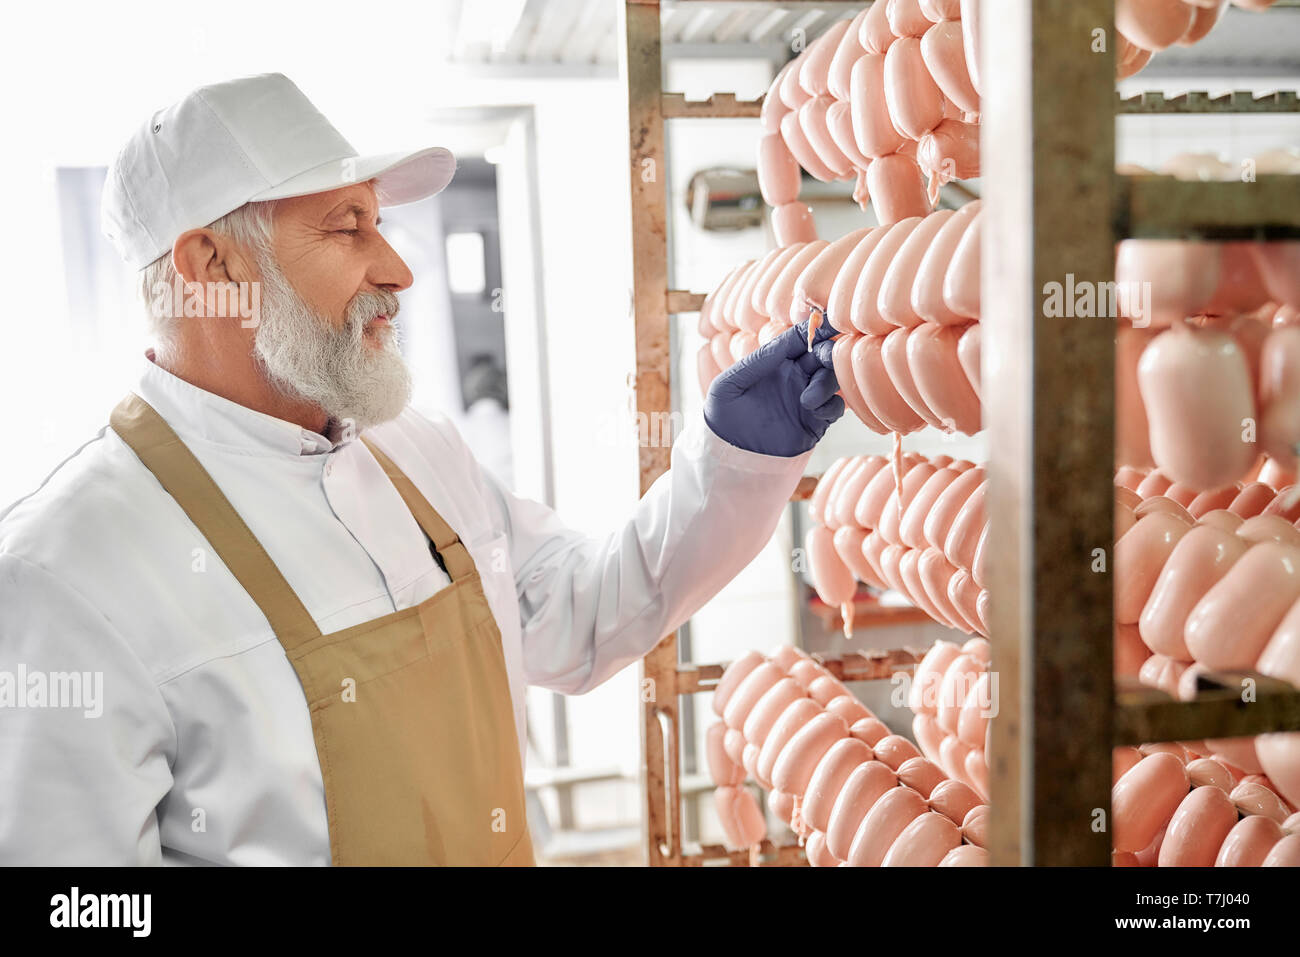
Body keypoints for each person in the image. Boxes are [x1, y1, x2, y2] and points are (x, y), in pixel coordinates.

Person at [0, 74, 843, 865]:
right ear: (212, 267)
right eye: (346, 226)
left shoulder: (413, 446)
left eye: (380, 223)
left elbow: (581, 613)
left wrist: (736, 458)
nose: (398, 271)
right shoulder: (63, 573)